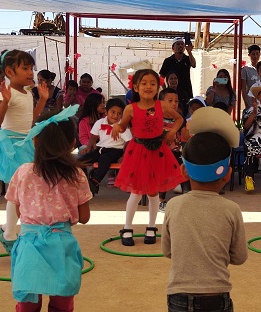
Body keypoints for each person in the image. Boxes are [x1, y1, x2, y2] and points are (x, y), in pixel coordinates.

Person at [160, 106, 246, 312]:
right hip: (216, 297)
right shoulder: (231, 209)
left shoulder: (174, 206)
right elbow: (239, 257)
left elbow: (167, 250)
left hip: (178, 295)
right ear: (226, 173)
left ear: (184, 169)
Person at [5, 110, 92, 312]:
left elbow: (17, 210)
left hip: (30, 246)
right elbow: (85, 217)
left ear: (34, 141)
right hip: (60, 246)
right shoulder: (76, 175)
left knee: (27, 304)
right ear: (71, 143)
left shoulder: (23, 172)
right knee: (62, 303)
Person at [110, 69, 185, 246]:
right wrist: (116, 127)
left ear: (158, 86)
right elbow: (122, 126)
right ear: (135, 87)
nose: (148, 86)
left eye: (152, 83)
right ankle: (127, 227)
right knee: (135, 193)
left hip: (158, 152)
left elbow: (179, 119)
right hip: (138, 152)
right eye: (144, 83)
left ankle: (151, 227)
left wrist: (172, 132)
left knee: (154, 193)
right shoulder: (130, 108)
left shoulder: (162, 105)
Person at [0, 50, 50, 251]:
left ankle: (9, 227)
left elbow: (30, 119)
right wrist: (5, 101)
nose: (30, 72)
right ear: (9, 71)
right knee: (17, 190)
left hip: (26, 144)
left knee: (25, 190)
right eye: (25, 68)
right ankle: (9, 232)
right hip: (12, 147)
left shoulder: (27, 92)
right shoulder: (8, 91)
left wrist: (42, 99)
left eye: (31, 68)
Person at [79, 98, 129, 195]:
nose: (115, 116)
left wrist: (124, 156)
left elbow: (129, 142)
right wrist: (88, 147)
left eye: (119, 113)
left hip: (115, 151)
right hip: (100, 149)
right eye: (113, 112)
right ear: (106, 111)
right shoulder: (99, 122)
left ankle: (94, 182)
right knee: (80, 161)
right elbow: (93, 137)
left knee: (104, 159)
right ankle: (84, 183)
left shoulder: (122, 126)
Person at [159, 88, 184, 210]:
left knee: (187, 166)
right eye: (170, 100)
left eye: (176, 101)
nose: (174, 104)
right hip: (159, 153)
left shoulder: (178, 119)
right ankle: (160, 200)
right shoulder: (156, 118)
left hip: (175, 151)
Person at [160, 37, 197, 107]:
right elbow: (161, 77)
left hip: (186, 92)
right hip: (171, 93)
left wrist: (190, 52)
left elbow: (194, 65)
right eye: (178, 44)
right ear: (173, 47)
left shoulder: (187, 59)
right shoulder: (168, 61)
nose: (180, 46)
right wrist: (165, 90)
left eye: (182, 44)